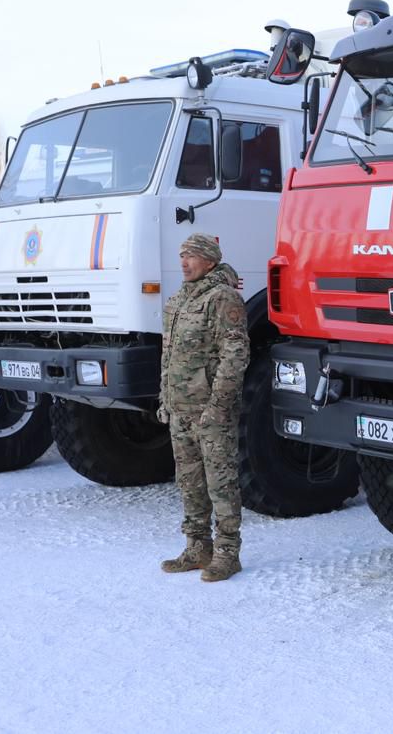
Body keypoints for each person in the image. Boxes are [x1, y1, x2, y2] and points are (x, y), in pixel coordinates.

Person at [157, 233, 250, 582]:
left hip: (211, 412)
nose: (184, 262)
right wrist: (165, 400)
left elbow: (235, 354)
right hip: (180, 410)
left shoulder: (222, 297)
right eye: (182, 255)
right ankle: (198, 548)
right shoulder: (181, 298)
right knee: (190, 481)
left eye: (192, 255)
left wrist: (219, 406)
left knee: (221, 482)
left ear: (210, 260)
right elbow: (169, 355)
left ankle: (227, 553)